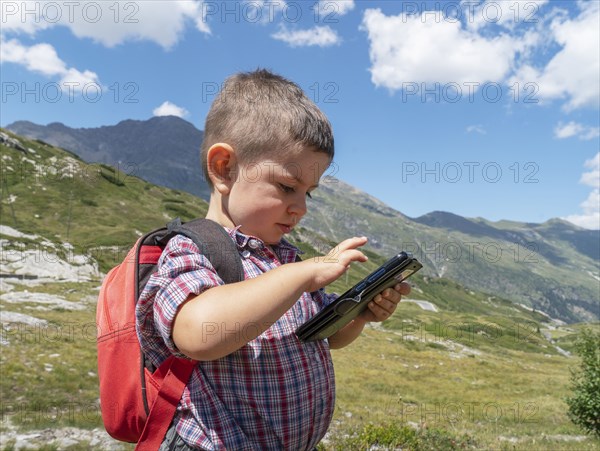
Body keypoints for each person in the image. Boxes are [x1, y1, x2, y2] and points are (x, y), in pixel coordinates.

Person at [136, 69, 411, 450]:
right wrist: (301, 274)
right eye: (286, 187)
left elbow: (325, 338)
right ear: (224, 168)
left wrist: (360, 313)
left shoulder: (282, 259)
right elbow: (197, 333)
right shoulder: (195, 248)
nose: (300, 209)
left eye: (308, 194)